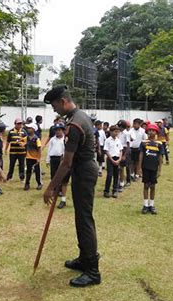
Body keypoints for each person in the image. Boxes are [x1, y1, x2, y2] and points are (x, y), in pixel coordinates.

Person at [43, 85, 101, 288]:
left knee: (85, 219)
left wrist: (52, 186)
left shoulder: (76, 124)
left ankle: (92, 270)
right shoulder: (77, 117)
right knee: (80, 217)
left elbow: (66, 162)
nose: (54, 110)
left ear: (63, 101)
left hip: (84, 171)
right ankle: (85, 259)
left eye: (54, 105)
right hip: (81, 170)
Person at [139, 124, 164, 215]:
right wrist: (139, 168)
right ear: (147, 131)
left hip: (154, 168)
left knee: (153, 186)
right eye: (149, 130)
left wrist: (159, 170)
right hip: (145, 167)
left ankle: (151, 205)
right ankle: (145, 205)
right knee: (146, 186)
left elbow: (160, 157)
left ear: (156, 132)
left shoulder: (159, 143)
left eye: (153, 130)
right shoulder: (143, 142)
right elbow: (141, 155)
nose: (151, 132)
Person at [46, 123, 69, 208]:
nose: (57, 132)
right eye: (56, 130)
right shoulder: (52, 139)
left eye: (59, 130)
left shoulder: (65, 139)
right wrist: (47, 160)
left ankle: (60, 192)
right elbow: (49, 150)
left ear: (62, 130)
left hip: (61, 159)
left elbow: (65, 150)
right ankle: (54, 190)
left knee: (61, 177)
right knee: (53, 174)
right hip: (53, 158)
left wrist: (63, 159)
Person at [103, 125, 123, 198]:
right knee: (109, 175)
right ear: (111, 132)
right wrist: (112, 160)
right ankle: (106, 191)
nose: (116, 133)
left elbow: (121, 150)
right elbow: (106, 151)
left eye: (117, 132)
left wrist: (119, 159)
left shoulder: (118, 140)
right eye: (115, 131)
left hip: (117, 158)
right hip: (110, 158)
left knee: (116, 175)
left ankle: (115, 190)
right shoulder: (108, 140)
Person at [24, 123, 43, 190]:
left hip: (35, 158)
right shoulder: (27, 138)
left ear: (33, 129)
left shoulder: (36, 139)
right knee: (28, 171)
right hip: (28, 157)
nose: (28, 129)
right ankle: (27, 184)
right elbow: (23, 141)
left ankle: (39, 183)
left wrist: (39, 158)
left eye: (29, 128)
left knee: (37, 171)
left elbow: (39, 148)